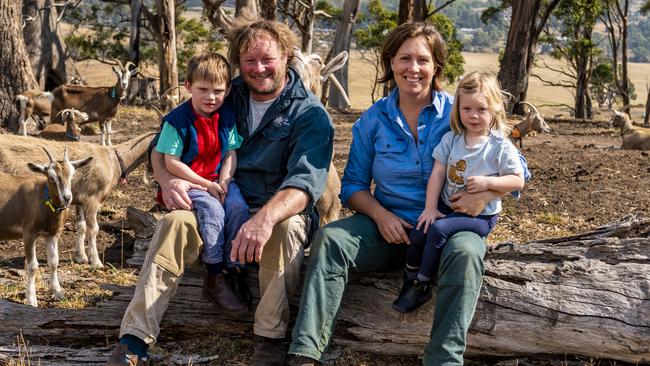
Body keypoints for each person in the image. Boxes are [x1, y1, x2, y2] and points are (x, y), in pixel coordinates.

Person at [288, 23, 528, 366]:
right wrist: (380, 216)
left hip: (450, 225)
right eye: (404, 59)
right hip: (388, 230)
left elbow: (516, 162)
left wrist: (484, 192)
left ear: (437, 67)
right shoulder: (372, 121)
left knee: (467, 254)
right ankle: (306, 353)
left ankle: (443, 359)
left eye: (423, 60)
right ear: (390, 62)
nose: (413, 68)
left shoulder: (459, 111)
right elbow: (353, 186)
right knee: (331, 239)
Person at [105, 19, 334, 366]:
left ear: (286, 56)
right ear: (237, 63)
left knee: (286, 229)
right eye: (248, 61)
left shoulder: (309, 114)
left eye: (267, 59)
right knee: (174, 224)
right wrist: (167, 181)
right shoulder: (226, 92)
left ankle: (268, 341)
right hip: (215, 199)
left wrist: (263, 220)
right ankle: (134, 340)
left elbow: (305, 184)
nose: (258, 69)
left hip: (274, 209)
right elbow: (164, 139)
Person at [392, 71, 525, 313]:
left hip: (480, 216)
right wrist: (430, 208)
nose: (473, 116)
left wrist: (487, 183)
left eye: (482, 110)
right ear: (458, 109)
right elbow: (438, 174)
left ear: (494, 109)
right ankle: (409, 278)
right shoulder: (452, 139)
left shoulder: (499, 146)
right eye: (467, 109)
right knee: (422, 228)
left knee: (439, 230)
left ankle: (423, 284)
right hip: (446, 204)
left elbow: (517, 181)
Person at [155, 52, 249, 314]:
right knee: (213, 211)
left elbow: (230, 153)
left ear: (228, 89)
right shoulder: (177, 121)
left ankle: (235, 264)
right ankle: (215, 269)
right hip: (190, 181)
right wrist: (204, 184)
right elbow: (171, 162)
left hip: (218, 179)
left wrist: (225, 180)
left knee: (238, 207)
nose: (211, 97)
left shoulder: (226, 116)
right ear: (188, 86)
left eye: (218, 91)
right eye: (203, 90)